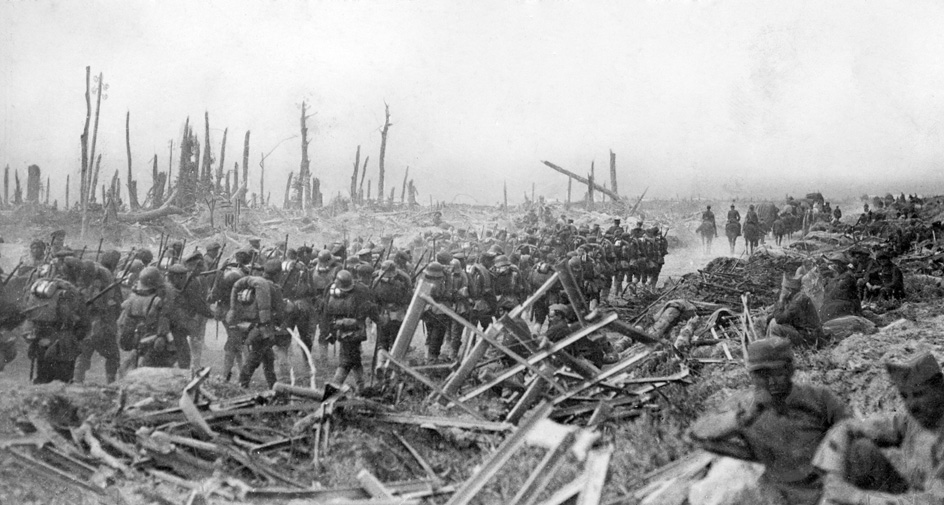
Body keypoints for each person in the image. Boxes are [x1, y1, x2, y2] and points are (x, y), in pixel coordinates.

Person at [690, 337, 850, 504]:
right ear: (751, 375)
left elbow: (851, 434)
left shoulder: (818, 399)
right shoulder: (746, 408)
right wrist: (745, 419)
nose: (770, 381)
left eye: (777, 372)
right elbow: (698, 434)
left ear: (791, 369)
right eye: (761, 375)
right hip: (783, 493)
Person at [814, 351, 944, 504]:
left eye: (919, 394)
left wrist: (855, 496)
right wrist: (834, 476)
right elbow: (849, 427)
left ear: (940, 389)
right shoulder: (914, 420)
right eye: (905, 396)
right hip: (910, 495)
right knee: (860, 450)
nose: (911, 405)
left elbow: (935, 501)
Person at [24, 256, 90, 383]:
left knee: (42, 375)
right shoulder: (71, 291)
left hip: (39, 336)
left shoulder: (41, 286)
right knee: (64, 380)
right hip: (63, 340)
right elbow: (83, 321)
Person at [321, 269, 380, 391]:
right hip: (353, 331)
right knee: (346, 363)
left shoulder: (332, 292)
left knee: (355, 359)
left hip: (343, 331)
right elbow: (370, 308)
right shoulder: (359, 290)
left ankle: (362, 387)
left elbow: (327, 314)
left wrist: (330, 331)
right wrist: (379, 320)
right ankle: (332, 393)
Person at [230, 260, 284, 388]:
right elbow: (280, 312)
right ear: (277, 274)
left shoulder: (253, 285)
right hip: (263, 328)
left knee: (268, 357)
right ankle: (241, 384)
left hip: (251, 326)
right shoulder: (273, 288)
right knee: (254, 358)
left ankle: (273, 384)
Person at [767, 275, 823, 346]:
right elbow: (780, 315)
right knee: (773, 322)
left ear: (789, 290)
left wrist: (780, 300)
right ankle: (769, 347)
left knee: (776, 327)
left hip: (809, 337)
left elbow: (780, 319)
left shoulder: (799, 299)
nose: (782, 291)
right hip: (804, 333)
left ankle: (774, 351)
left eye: (783, 288)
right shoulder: (794, 298)